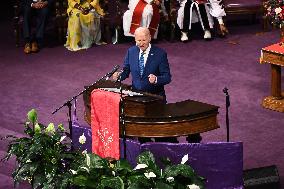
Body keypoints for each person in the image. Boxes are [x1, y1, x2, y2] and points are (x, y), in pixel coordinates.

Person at [113, 27, 177, 143]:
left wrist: (156, 79)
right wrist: (119, 76)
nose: (141, 43)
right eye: (138, 41)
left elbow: (167, 77)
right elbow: (126, 70)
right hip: (137, 98)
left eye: (143, 40)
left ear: (149, 38)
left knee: (158, 132)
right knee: (142, 132)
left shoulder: (160, 54)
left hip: (155, 98)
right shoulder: (131, 51)